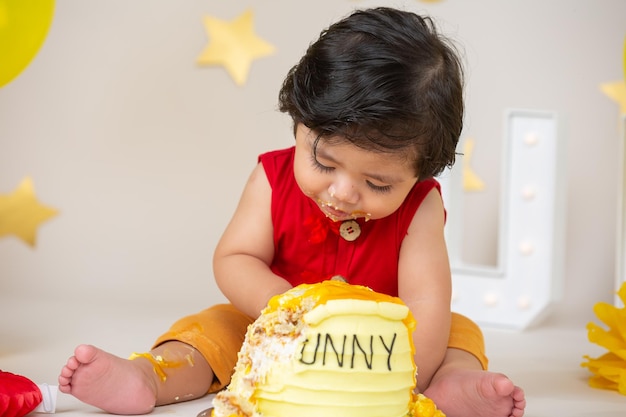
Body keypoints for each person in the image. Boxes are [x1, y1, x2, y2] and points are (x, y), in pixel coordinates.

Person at [58, 7, 525, 417]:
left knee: (457, 333)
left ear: (421, 173)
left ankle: (450, 388)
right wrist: (282, 307)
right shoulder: (272, 177)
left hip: (377, 346)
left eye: (378, 183)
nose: (342, 193)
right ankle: (150, 377)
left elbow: (425, 303)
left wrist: (401, 382)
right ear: (298, 121)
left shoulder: (420, 207)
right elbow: (234, 258)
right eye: (324, 161)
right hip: (275, 327)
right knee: (212, 326)